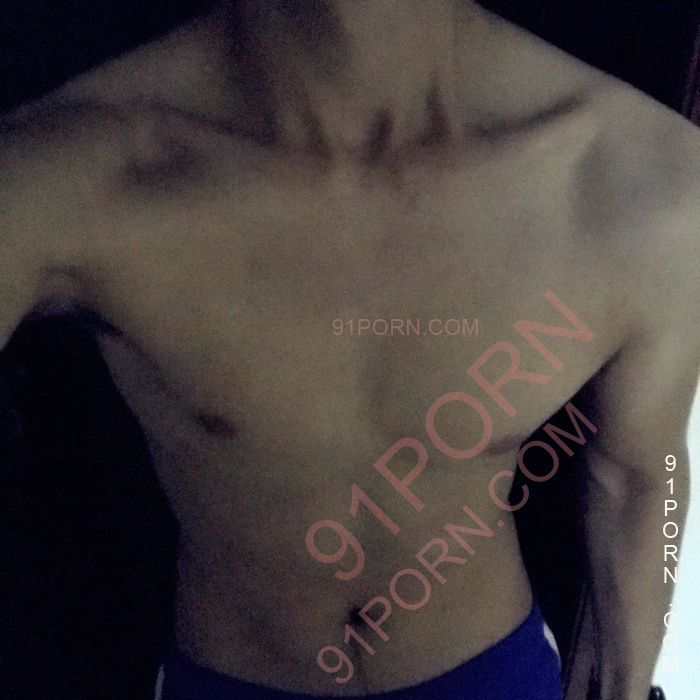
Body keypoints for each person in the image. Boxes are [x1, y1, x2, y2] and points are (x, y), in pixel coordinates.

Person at [1, 1, 698, 698]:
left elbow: (642, 479)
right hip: (230, 678)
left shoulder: (646, 183)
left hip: (489, 675)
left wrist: (630, 687)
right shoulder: (67, 175)